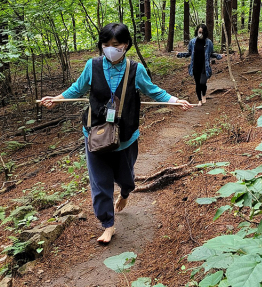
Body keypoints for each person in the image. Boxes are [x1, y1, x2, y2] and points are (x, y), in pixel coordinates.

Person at [41, 23, 192, 245]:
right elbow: (77, 88)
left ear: (126, 45)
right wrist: (57, 99)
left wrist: (174, 100)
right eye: (105, 45)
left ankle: (125, 193)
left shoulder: (135, 69)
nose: (110, 49)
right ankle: (108, 225)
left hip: (125, 136)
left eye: (115, 45)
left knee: (126, 179)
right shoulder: (91, 66)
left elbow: (153, 90)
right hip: (95, 134)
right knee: (100, 182)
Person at [176, 24, 223, 106]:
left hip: (204, 66)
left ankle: (204, 94)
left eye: (202, 32)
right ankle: (199, 100)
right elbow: (189, 53)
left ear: (205, 32)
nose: (200, 33)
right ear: (197, 31)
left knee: (202, 82)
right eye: (199, 32)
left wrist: (219, 56)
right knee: (197, 83)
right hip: (195, 66)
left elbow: (211, 54)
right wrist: (179, 54)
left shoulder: (209, 42)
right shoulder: (192, 42)